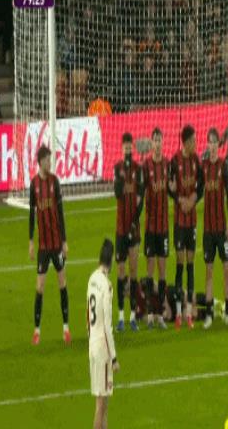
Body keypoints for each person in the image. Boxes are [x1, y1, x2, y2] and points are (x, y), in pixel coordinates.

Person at [29, 145, 70, 345]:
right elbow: (31, 214)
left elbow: (60, 213)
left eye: (50, 159)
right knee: (40, 287)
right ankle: (37, 330)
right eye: (47, 160)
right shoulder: (34, 184)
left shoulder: (55, 181)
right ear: (40, 161)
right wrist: (30, 241)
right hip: (43, 247)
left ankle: (66, 328)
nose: (50, 163)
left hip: (56, 244)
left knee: (62, 284)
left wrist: (64, 241)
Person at [200, 128, 228, 329]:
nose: (212, 146)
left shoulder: (224, 165)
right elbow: (197, 190)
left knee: (227, 269)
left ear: (218, 145)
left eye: (215, 142)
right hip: (207, 230)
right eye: (210, 142)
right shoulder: (203, 166)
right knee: (209, 272)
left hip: (222, 229)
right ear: (207, 145)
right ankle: (209, 315)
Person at [169, 125, 203, 329]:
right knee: (180, 265)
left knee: (191, 265)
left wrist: (193, 199)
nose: (196, 144)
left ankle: (189, 312)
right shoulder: (174, 161)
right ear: (186, 142)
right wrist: (179, 199)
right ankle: (179, 313)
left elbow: (202, 185)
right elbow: (169, 187)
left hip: (192, 222)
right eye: (194, 141)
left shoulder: (196, 160)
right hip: (179, 222)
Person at [87, 238, 120, 429]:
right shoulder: (107, 286)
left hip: (92, 343)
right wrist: (114, 358)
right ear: (111, 259)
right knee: (101, 406)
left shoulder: (92, 278)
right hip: (102, 349)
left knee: (103, 403)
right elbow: (107, 326)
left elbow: (87, 314)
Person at [114, 132, 144, 331]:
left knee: (133, 271)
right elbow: (117, 194)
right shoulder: (117, 169)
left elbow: (140, 198)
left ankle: (132, 316)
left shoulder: (138, 169)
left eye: (129, 147)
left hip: (133, 228)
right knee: (120, 272)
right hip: (120, 229)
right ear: (121, 148)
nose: (127, 150)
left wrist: (134, 221)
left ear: (132, 148)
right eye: (124, 147)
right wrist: (120, 181)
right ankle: (120, 316)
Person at [143, 128, 169, 329]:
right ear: (151, 144)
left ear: (162, 143)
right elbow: (140, 191)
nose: (158, 144)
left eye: (160, 140)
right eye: (155, 140)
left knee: (162, 271)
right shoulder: (146, 166)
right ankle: (150, 312)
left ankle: (160, 314)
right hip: (150, 227)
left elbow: (173, 188)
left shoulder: (167, 165)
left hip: (164, 227)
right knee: (150, 270)